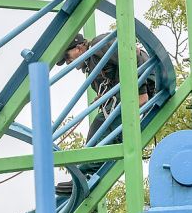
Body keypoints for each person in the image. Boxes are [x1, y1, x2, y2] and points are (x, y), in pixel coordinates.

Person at [55, 33, 152, 193]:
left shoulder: (99, 46)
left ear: (79, 48)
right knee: (104, 130)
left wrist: (141, 92)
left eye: (67, 56)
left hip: (143, 82)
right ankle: (90, 172)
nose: (68, 62)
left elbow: (129, 55)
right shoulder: (92, 64)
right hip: (129, 90)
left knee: (99, 128)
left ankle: (86, 173)